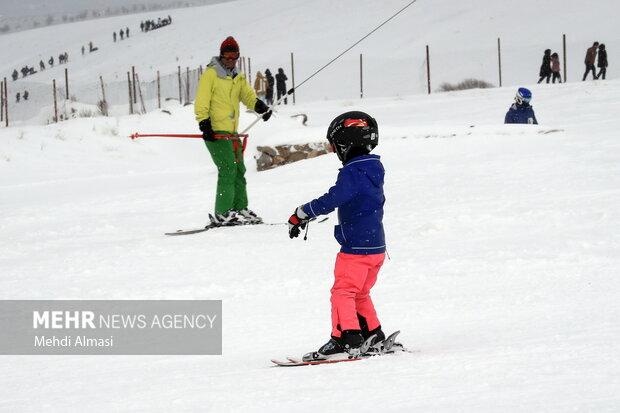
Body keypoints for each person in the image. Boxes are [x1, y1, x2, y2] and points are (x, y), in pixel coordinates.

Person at [287, 111, 386, 361]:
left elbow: (334, 198)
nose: (334, 151)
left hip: (356, 248)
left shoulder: (352, 172)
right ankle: (373, 334)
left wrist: (302, 212)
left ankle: (345, 338)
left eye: (336, 146)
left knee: (342, 292)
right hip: (376, 247)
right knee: (359, 293)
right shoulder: (373, 167)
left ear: (346, 143)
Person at [194, 36, 272, 225]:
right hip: (216, 132)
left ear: (237, 56)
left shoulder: (238, 77)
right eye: (226, 56)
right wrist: (204, 123)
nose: (230, 60)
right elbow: (202, 100)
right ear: (221, 56)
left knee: (238, 169)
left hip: (232, 132)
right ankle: (222, 212)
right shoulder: (211, 74)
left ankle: (240, 208)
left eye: (233, 56)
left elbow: (246, 95)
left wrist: (259, 106)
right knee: (227, 168)